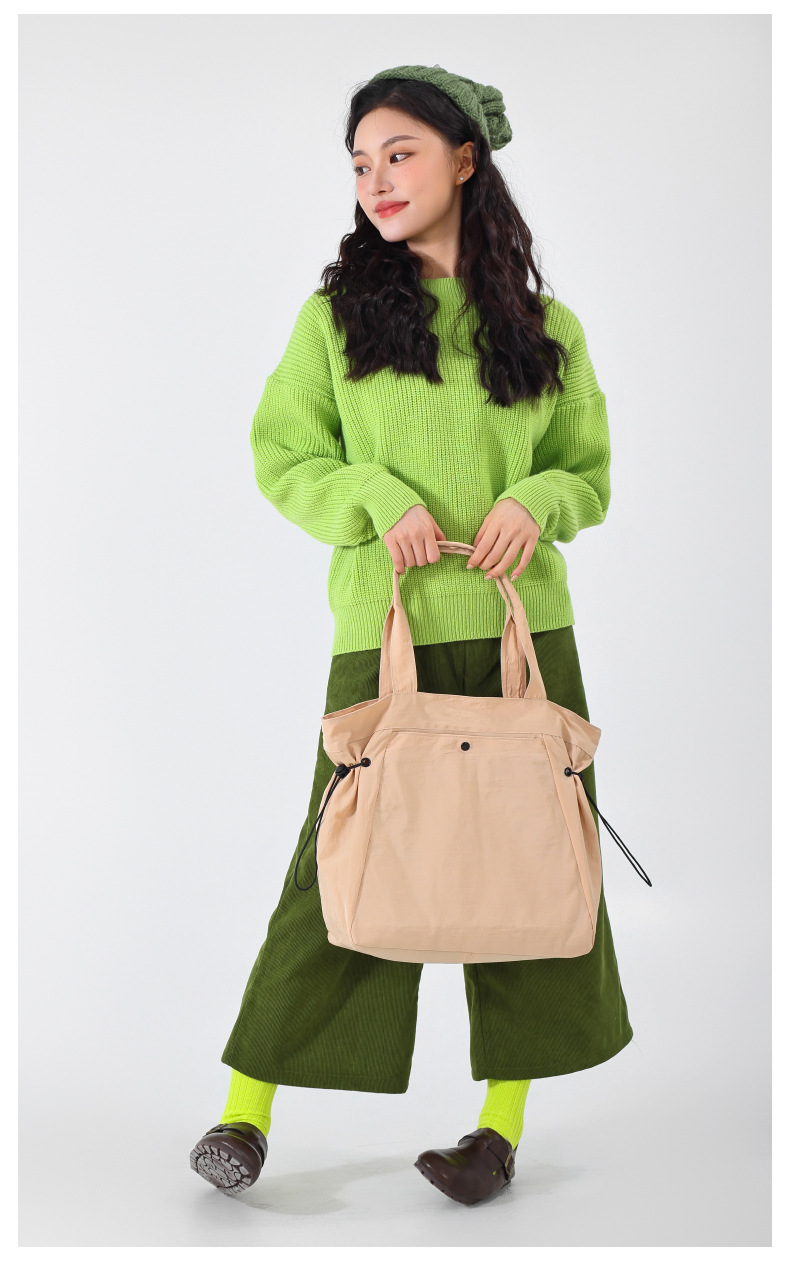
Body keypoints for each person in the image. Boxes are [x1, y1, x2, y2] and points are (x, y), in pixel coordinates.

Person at [189, 63, 634, 1208]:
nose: (375, 180)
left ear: (465, 159)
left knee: (528, 866)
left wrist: (534, 501)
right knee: (336, 864)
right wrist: (373, 495)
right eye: (359, 162)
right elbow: (284, 455)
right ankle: (244, 1114)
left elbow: (585, 475)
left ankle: (497, 1130)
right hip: (383, 636)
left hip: (523, 635)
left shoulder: (547, 330)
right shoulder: (333, 320)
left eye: (399, 153)